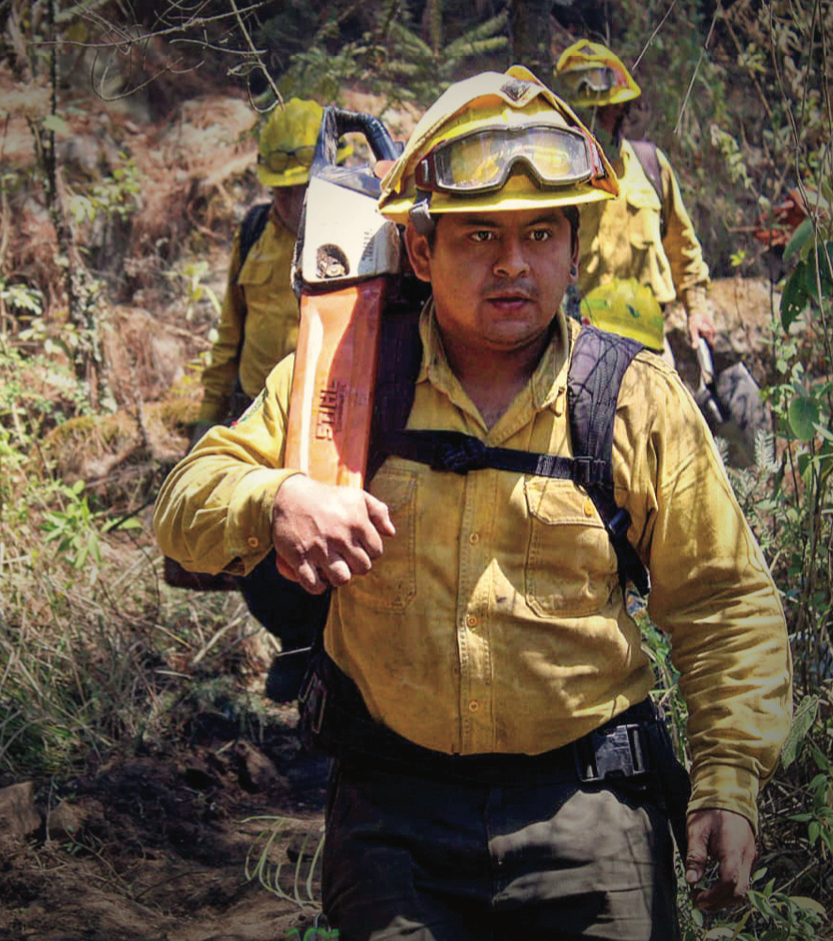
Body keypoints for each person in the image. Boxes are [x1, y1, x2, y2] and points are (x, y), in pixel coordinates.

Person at [154, 67, 791, 940]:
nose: (513, 264)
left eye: (541, 233)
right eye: (480, 234)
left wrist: (728, 778)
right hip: (393, 821)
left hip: (590, 812)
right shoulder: (346, 380)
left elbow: (724, 601)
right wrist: (276, 498)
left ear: (574, 250)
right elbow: (184, 503)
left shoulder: (632, 400)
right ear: (421, 252)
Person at [186, 97, 351, 702]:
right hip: (261, 420)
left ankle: (333, 663)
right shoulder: (254, 232)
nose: (292, 202)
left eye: (303, 188)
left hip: (337, 422)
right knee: (260, 554)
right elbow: (229, 331)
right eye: (282, 190)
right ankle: (298, 645)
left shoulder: (361, 229)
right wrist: (206, 421)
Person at [552, 39, 716, 356]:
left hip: (650, 345)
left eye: (604, 111)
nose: (594, 123)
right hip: (580, 347)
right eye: (585, 113)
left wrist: (697, 309)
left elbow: (683, 247)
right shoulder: (555, 180)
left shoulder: (651, 166)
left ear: (621, 110)